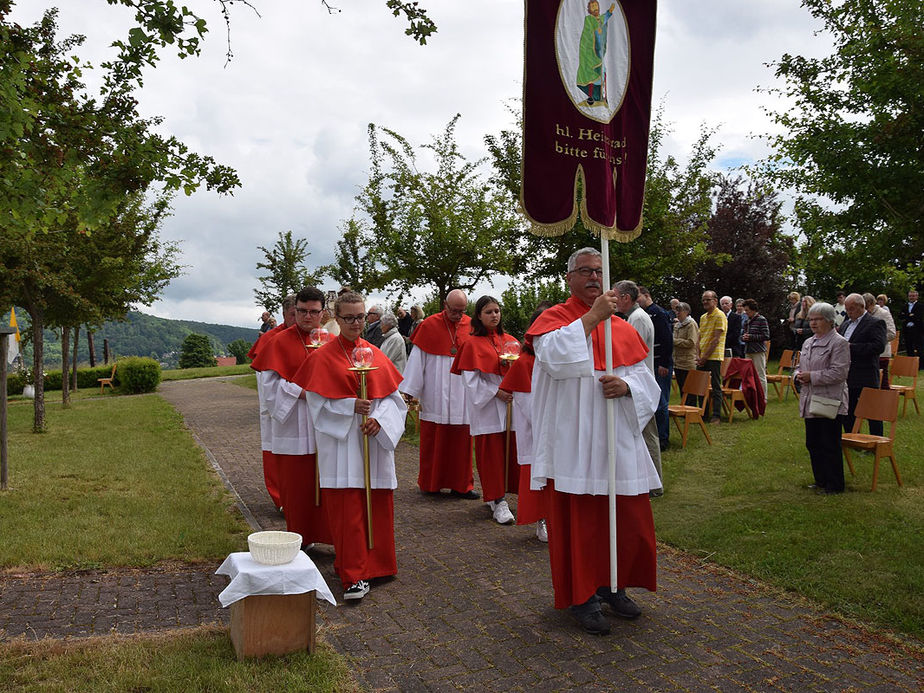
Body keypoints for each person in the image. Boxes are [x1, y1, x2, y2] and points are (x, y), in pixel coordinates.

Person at [527, 247, 660, 635]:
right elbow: (552, 357)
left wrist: (628, 386)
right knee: (580, 523)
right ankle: (582, 596)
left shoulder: (623, 328)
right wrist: (592, 317)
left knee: (622, 518)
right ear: (569, 278)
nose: (593, 278)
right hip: (573, 440)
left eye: (599, 272)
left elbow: (645, 380)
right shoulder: (555, 320)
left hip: (615, 436)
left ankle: (612, 584)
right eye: (584, 271)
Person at [293, 291, 406, 600]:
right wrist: (349, 407)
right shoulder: (322, 357)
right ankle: (353, 574)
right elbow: (316, 404)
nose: (356, 323)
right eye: (349, 318)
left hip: (371, 442)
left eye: (360, 316)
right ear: (336, 318)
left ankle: (379, 566)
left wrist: (380, 421)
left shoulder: (376, 354)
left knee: (376, 504)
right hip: (342, 445)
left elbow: (395, 402)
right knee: (348, 510)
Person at [249, 286, 333, 550]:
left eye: (313, 312)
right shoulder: (277, 342)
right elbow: (269, 388)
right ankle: (301, 539)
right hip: (294, 425)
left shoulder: (331, 342)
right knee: (298, 489)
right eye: (302, 311)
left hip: (326, 426)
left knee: (327, 484)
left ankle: (329, 536)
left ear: (323, 313)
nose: (307, 317)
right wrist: (302, 392)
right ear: (294, 311)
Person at [451, 296, 520, 525]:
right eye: (489, 312)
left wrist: (512, 389)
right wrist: (496, 392)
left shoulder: (510, 341)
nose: (494, 315)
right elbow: (471, 381)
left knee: (510, 453)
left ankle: (503, 495)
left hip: (510, 406)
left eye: (497, 311)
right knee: (491, 455)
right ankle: (498, 501)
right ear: (479, 316)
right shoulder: (471, 344)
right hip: (489, 407)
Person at [401, 290, 477, 498]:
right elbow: (417, 361)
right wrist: (410, 390)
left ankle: (462, 485)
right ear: (445, 305)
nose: (458, 315)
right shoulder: (428, 325)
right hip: (435, 392)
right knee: (434, 438)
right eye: (454, 310)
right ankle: (431, 483)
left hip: (462, 393)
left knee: (461, 441)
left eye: (462, 311)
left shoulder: (471, 325)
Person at [498, 305, 549, 543]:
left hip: (561, 433)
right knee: (539, 477)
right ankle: (543, 520)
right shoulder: (525, 362)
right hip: (538, 432)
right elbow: (527, 406)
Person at [248, 294, 298, 510]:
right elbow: (265, 384)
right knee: (277, 449)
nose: (300, 319)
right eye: (294, 314)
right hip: (280, 406)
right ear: (284, 314)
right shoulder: (271, 340)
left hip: (307, 407)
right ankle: (281, 499)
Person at [794, 302, 850, 494]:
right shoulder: (808, 342)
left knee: (829, 444)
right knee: (813, 443)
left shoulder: (839, 342)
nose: (813, 323)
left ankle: (835, 484)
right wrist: (798, 376)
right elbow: (800, 366)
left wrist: (812, 377)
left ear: (829, 320)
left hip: (829, 401)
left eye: (817, 319)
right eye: (811, 319)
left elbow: (839, 373)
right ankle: (821, 480)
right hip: (810, 399)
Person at [615, 281, 662, 494]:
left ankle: (655, 484)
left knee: (647, 432)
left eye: (616, 296)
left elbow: (632, 351)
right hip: (635, 382)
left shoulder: (639, 319)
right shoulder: (633, 318)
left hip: (642, 384)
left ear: (625, 298)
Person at [838, 293, 886, 436]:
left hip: (866, 373)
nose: (849, 312)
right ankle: (852, 436)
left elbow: (878, 347)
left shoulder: (875, 323)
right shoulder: (846, 324)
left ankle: (876, 440)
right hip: (848, 373)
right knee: (848, 408)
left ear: (861, 306)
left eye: (851, 309)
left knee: (871, 411)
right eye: (847, 309)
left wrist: (851, 347)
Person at [637, 286, 673, 452]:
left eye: (638, 297)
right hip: (653, 362)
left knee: (660, 403)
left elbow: (667, 339)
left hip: (661, 364)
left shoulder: (657, 313)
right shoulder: (646, 313)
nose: (637, 301)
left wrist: (664, 363)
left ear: (646, 295)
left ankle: (663, 439)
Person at [577, 2, 617, 106]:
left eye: (596, 6)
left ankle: (604, 97)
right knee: (592, 75)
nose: (595, 8)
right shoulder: (589, 19)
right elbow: (587, 35)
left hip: (599, 52)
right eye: (592, 7)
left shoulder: (600, 19)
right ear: (589, 9)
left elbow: (603, 19)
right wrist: (596, 30)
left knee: (602, 73)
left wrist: (609, 12)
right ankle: (591, 97)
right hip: (590, 54)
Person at [697, 291, 727, 423]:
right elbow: (700, 337)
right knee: (700, 386)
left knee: (715, 386)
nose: (705, 302)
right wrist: (698, 355)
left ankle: (716, 415)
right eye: (703, 300)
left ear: (715, 301)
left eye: (707, 300)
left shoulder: (720, 316)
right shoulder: (703, 317)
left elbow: (716, 340)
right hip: (702, 356)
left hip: (714, 356)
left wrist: (705, 356)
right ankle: (703, 412)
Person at [863, 293, 896, 388]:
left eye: (867, 306)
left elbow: (892, 333)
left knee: (883, 384)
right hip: (866, 353)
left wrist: (876, 340)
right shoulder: (863, 315)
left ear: (872, 303)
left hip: (882, 354)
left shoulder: (883, 313)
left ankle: (885, 402)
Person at [740, 299, 770, 403]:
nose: (745, 312)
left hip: (758, 351)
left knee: (760, 374)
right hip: (748, 350)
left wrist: (751, 337)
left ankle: (763, 397)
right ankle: (751, 396)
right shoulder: (747, 321)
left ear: (753, 310)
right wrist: (743, 337)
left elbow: (766, 336)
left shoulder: (762, 319)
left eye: (747, 310)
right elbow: (742, 334)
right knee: (748, 375)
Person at [672, 302, 698, 393]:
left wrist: (674, 341)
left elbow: (691, 342)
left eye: (680, 311)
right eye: (676, 311)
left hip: (688, 363)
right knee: (682, 390)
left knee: (690, 391)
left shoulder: (691, 324)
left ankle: (691, 407)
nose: (677, 313)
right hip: (678, 362)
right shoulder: (677, 325)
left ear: (687, 312)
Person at [899, 289, 923, 363]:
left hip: (917, 330)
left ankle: (921, 364)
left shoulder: (920, 306)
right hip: (907, 330)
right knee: (909, 346)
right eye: (910, 296)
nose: (911, 298)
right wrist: (910, 316)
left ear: (916, 297)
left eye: (913, 296)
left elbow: (919, 317)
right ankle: (910, 363)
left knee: (919, 347)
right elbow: (900, 316)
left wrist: (907, 316)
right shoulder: (905, 306)